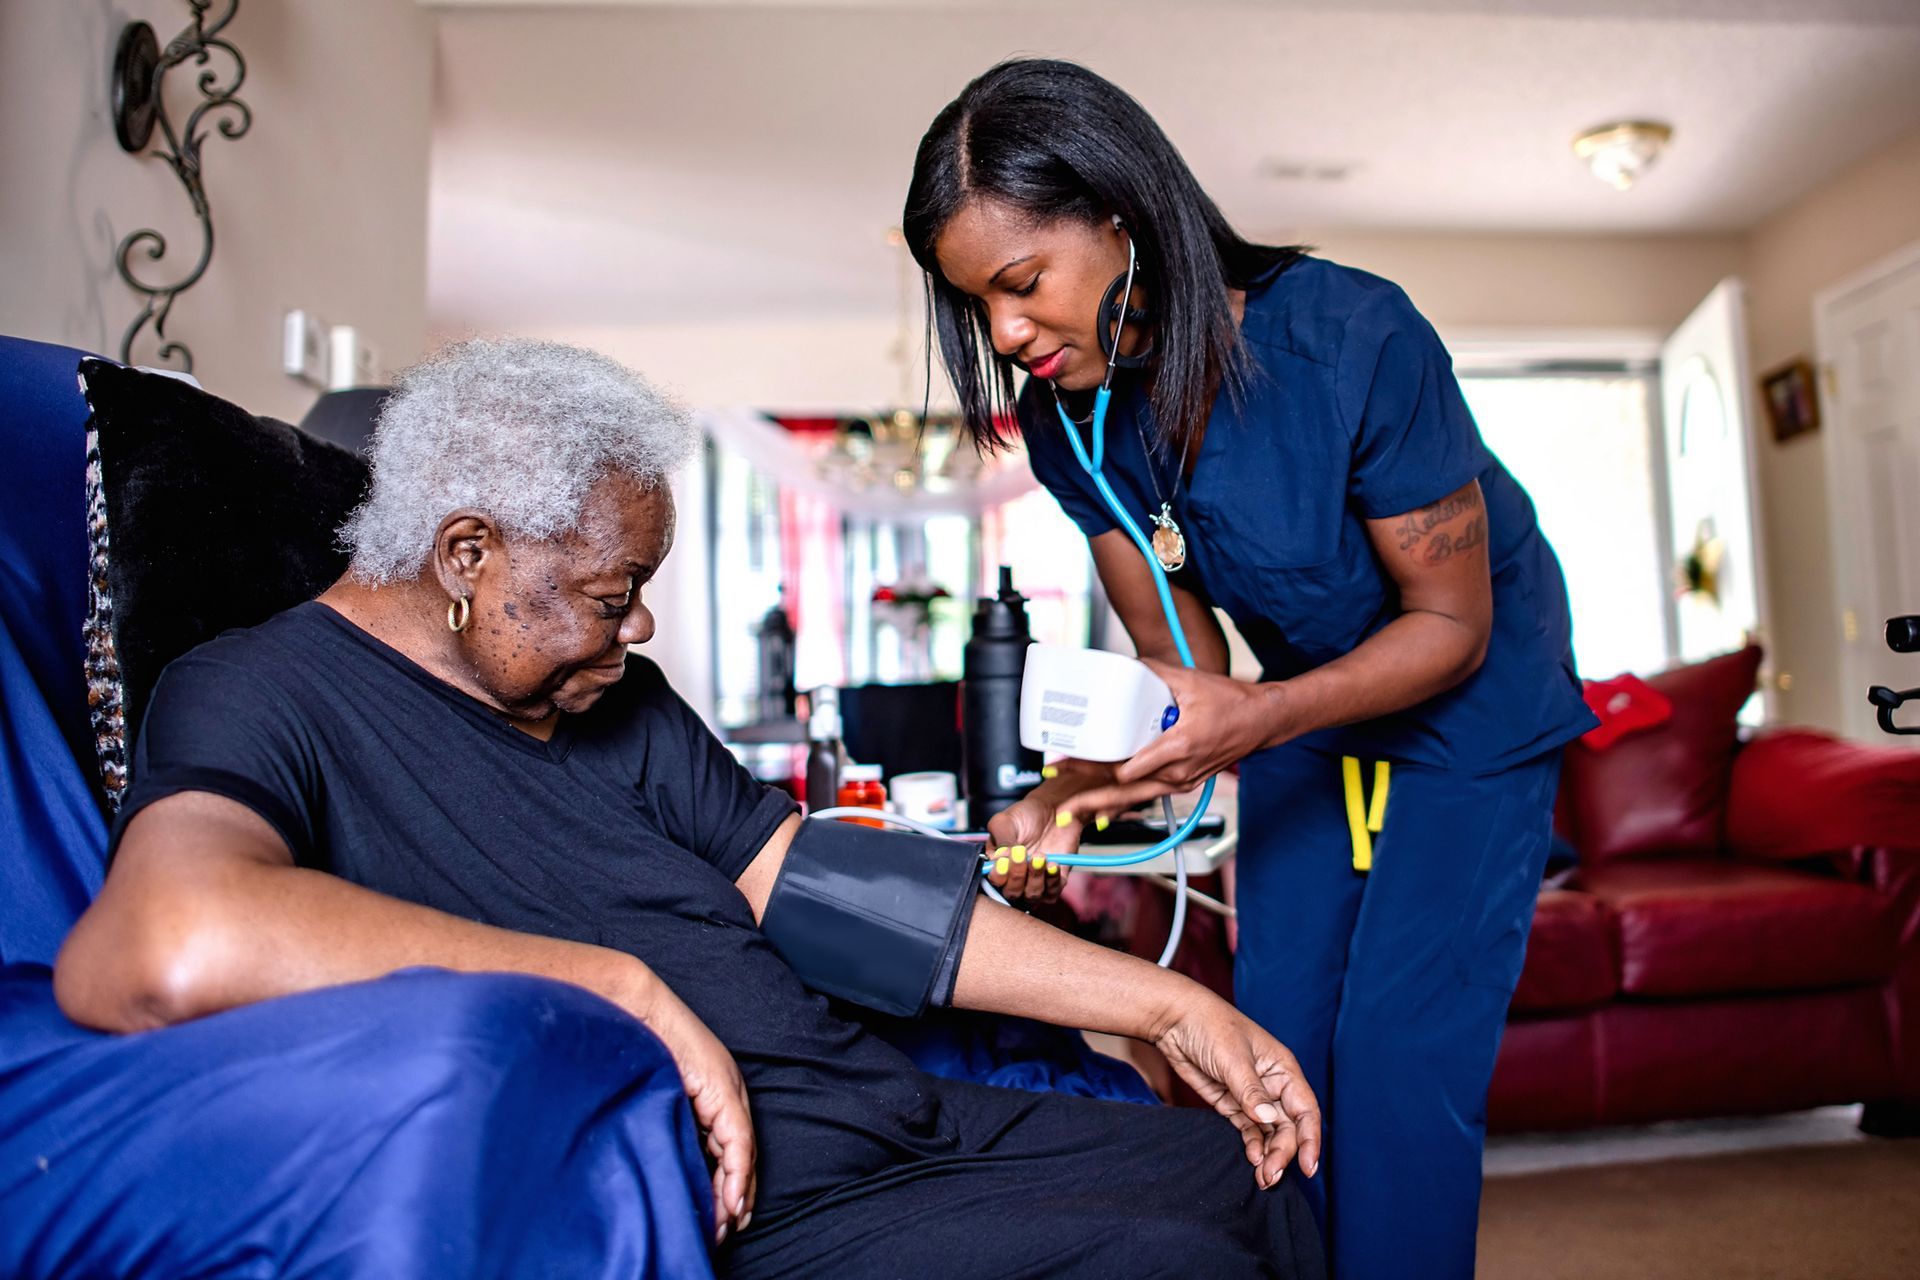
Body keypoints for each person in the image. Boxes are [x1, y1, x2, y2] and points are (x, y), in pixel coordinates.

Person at [52, 337, 1326, 1279]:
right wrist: (616, 983)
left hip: (879, 1109)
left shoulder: (617, 698)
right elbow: (165, 941)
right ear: (465, 556)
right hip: (756, 1202)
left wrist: (1173, 1003)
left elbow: (834, 892)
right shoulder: (258, 692)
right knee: (1176, 1265)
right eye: (613, 593)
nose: (642, 624)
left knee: (1244, 1170)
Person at [902, 59, 1600, 1280]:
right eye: (981, 306)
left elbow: (1451, 624)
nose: (1007, 333)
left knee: (1398, 1047)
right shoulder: (1069, 421)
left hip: (1474, 680)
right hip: (1298, 707)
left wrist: (1256, 714)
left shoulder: (1352, 336)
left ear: (1121, 215)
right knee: (1268, 1039)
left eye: (1021, 283)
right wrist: (1072, 791)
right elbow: (1182, 672)